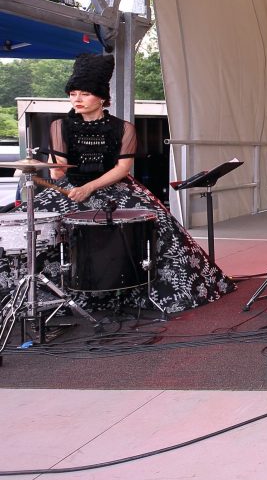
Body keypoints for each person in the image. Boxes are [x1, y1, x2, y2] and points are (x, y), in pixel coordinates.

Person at [0, 53, 234, 314]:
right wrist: (52, 166)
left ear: (102, 98)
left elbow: (122, 169)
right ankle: (45, 293)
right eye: (73, 94)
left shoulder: (123, 128)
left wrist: (90, 188)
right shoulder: (59, 126)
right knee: (30, 224)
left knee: (158, 221)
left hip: (115, 187)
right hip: (72, 187)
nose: (77, 99)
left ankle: (149, 288)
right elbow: (58, 174)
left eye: (85, 94)